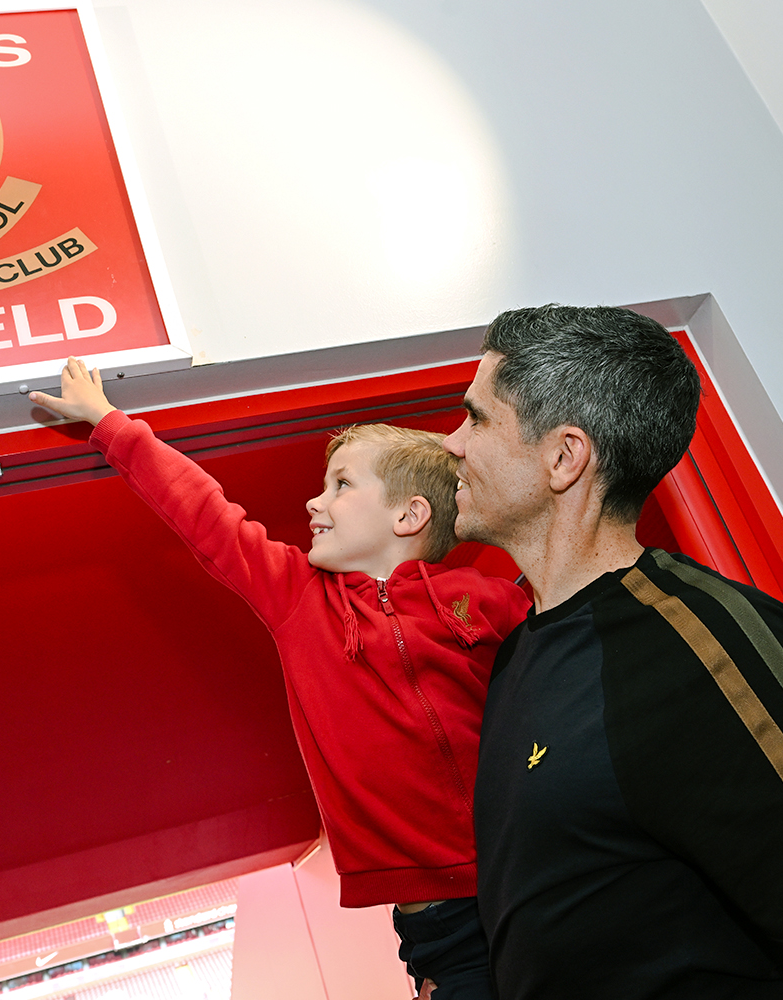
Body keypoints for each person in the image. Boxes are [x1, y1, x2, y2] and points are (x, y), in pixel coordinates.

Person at [443, 306, 783, 1000]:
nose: (451, 443)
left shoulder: (704, 641)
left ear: (564, 457)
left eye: (476, 418)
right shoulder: (515, 656)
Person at [31, 357, 533, 1000]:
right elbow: (207, 518)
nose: (312, 501)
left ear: (408, 516)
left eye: (341, 485)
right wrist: (110, 424)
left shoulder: (486, 600)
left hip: (527, 868)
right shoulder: (300, 598)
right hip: (440, 918)